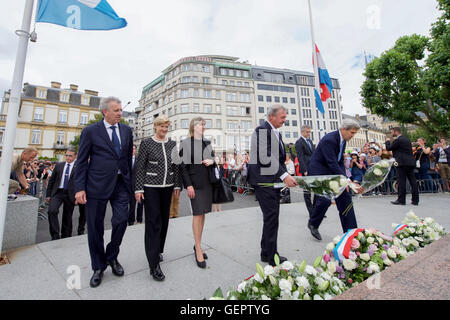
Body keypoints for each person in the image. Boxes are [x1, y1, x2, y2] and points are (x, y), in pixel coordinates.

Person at [74, 96, 134, 288]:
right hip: (96, 186)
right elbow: (81, 161)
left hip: (121, 184)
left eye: (120, 110)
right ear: (105, 112)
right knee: (95, 227)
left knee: (121, 220)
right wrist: (79, 188)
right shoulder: (90, 131)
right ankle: (98, 266)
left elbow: (126, 159)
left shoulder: (126, 130)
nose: (120, 113)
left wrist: (132, 183)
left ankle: (112, 256)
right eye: (116, 110)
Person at [248, 105, 298, 266]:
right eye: (282, 117)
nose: (285, 120)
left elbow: (279, 157)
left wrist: (285, 175)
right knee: (271, 218)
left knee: (271, 218)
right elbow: (265, 156)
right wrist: (284, 175)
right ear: (272, 116)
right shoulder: (262, 130)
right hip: (264, 181)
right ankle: (272, 257)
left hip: (271, 180)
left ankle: (266, 252)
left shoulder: (275, 132)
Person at [135, 115, 181, 281]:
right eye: (161, 126)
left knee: (164, 221)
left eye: (166, 126)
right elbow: (140, 167)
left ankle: (158, 250)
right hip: (151, 188)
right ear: (155, 127)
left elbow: (176, 167)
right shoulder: (146, 143)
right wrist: (139, 188)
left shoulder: (172, 144)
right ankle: (153, 265)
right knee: (153, 224)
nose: (164, 129)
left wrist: (177, 185)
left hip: (167, 188)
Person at [307, 119, 364, 241]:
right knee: (325, 199)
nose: (353, 136)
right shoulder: (330, 139)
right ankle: (313, 223)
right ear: (343, 129)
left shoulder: (343, 140)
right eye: (352, 133)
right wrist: (346, 180)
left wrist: (346, 180)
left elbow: (339, 162)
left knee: (345, 198)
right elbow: (331, 162)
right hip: (320, 171)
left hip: (333, 170)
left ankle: (351, 232)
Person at [180, 117, 215, 269]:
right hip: (195, 185)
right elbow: (182, 167)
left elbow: (213, 158)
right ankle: (198, 249)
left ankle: (197, 245)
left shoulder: (207, 142)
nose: (204, 127)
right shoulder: (186, 143)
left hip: (207, 183)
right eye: (201, 124)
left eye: (204, 125)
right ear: (194, 126)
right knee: (197, 214)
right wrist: (188, 185)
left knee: (203, 214)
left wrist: (212, 161)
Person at [46, 148, 78, 240]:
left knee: (67, 215)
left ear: (75, 156)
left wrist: (78, 196)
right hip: (58, 193)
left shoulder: (79, 167)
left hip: (70, 194)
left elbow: (81, 181)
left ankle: (66, 235)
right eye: (66, 155)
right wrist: (48, 195)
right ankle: (55, 235)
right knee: (52, 211)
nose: (67, 157)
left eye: (70, 156)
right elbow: (51, 181)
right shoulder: (59, 166)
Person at [385, 127, 419, 205]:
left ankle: (401, 200)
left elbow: (389, 148)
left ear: (395, 131)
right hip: (410, 162)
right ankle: (415, 200)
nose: (391, 133)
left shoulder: (398, 140)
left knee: (401, 181)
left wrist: (387, 141)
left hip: (401, 163)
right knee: (413, 181)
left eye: (392, 132)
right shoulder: (407, 139)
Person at [295, 125, 315, 216]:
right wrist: (304, 170)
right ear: (302, 132)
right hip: (306, 169)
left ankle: (316, 210)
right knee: (307, 191)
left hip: (313, 168)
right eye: (307, 132)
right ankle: (311, 211)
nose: (309, 133)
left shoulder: (310, 141)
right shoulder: (299, 142)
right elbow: (300, 157)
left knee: (316, 189)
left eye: (309, 132)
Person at [128, 145, 144, 225]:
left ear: (135, 150)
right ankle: (131, 221)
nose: (132, 150)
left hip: (139, 185)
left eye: (134, 149)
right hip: (130, 186)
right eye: (131, 149)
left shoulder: (140, 159)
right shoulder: (126, 160)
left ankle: (139, 220)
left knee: (140, 204)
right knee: (132, 205)